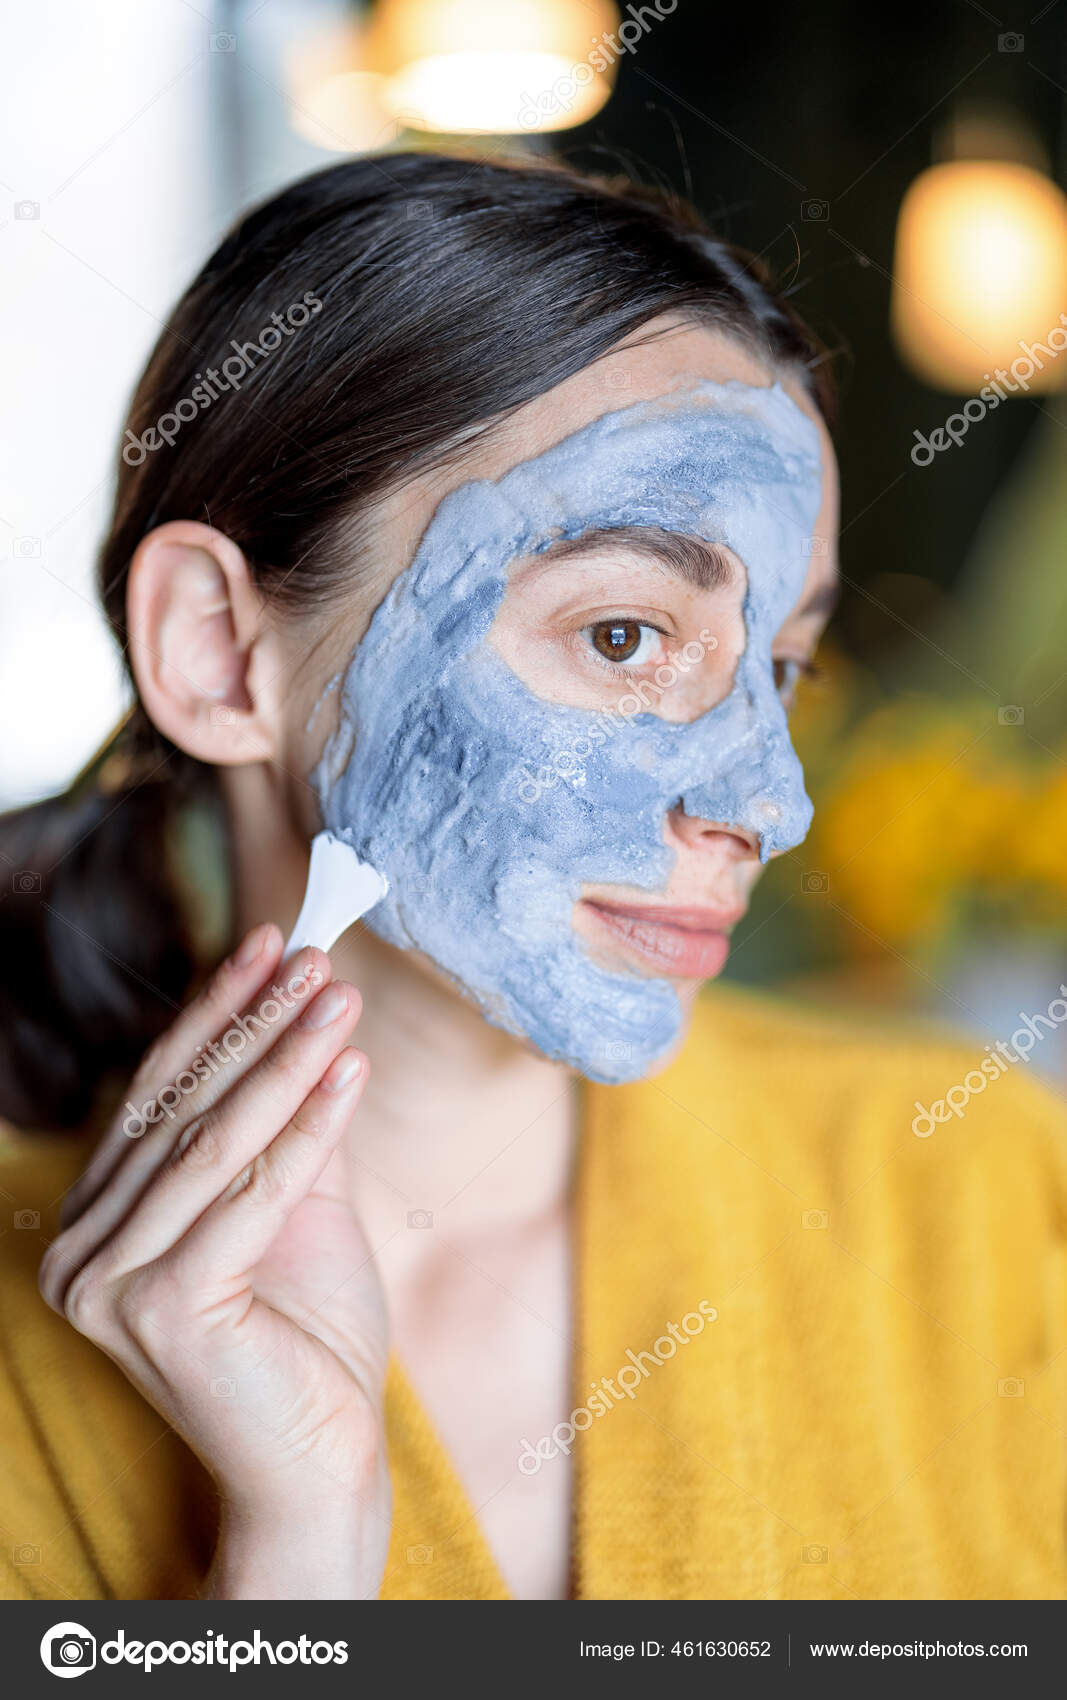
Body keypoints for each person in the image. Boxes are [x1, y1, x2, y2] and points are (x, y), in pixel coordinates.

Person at [1, 153, 1064, 1603]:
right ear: (218, 651)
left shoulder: (980, 1189)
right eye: (625, 636)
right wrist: (295, 1555)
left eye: (784, 666)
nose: (770, 804)